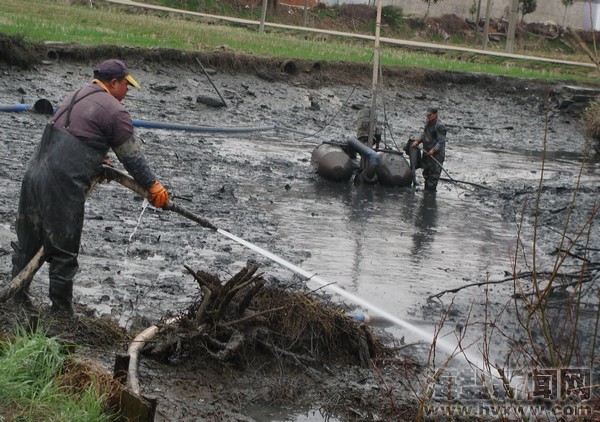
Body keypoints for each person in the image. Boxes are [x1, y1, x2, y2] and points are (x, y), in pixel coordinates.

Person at [11, 59, 169, 317]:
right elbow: (132, 157)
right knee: (64, 249)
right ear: (113, 83)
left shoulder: (75, 95)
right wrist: (153, 186)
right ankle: (61, 314)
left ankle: (16, 299)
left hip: (35, 174)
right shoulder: (114, 111)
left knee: (28, 239)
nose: (127, 92)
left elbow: (77, 138)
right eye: (126, 86)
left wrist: (94, 161)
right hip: (62, 183)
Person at [411, 107, 446, 191]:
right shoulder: (428, 122)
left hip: (436, 155)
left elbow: (441, 141)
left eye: (430, 115)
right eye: (427, 115)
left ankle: (430, 193)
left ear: (435, 114)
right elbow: (424, 134)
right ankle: (426, 191)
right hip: (427, 152)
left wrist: (434, 150)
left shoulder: (440, 126)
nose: (428, 117)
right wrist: (418, 141)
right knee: (426, 172)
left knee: (433, 175)